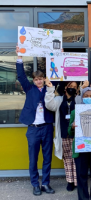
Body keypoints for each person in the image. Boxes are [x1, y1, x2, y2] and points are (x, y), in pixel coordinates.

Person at [15, 46, 55, 196]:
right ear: (34, 80)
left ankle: (45, 183)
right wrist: (19, 57)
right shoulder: (29, 88)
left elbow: (62, 80)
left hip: (47, 127)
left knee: (47, 158)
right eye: (36, 79)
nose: (39, 81)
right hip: (33, 129)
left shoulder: (49, 88)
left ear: (44, 79)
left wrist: (60, 56)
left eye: (41, 79)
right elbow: (21, 76)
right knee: (33, 159)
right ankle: (35, 184)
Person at [45, 80, 81, 191]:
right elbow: (49, 105)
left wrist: (83, 89)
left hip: (77, 134)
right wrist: (51, 89)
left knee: (77, 158)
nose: (73, 88)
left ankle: (78, 181)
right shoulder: (59, 99)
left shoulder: (78, 99)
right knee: (67, 159)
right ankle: (70, 181)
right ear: (66, 87)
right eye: (71, 86)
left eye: (75, 87)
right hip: (64, 134)